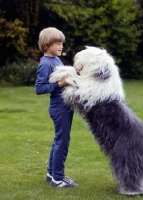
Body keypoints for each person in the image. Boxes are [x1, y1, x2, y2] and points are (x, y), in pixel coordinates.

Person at [35, 27, 78, 188]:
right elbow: (39, 88)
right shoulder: (45, 63)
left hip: (65, 105)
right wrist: (61, 83)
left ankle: (51, 173)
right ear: (47, 46)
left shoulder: (56, 60)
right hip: (59, 107)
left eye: (62, 43)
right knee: (63, 141)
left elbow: (64, 75)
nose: (61, 46)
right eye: (58, 43)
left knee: (58, 139)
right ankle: (58, 179)